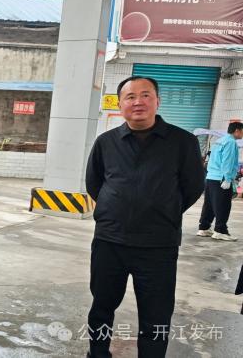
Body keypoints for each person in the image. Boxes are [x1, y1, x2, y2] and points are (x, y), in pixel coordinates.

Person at [85, 76, 204, 358]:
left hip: (158, 245)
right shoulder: (106, 142)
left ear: (157, 101)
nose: (138, 102)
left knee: (156, 314)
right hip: (110, 241)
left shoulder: (182, 142)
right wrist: (114, 210)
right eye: (130, 97)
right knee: (102, 306)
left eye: (145, 95)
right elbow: (95, 183)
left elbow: (193, 187)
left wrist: (163, 210)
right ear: (120, 104)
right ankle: (98, 353)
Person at [198, 121, 243, 241]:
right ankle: (220, 231)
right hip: (221, 179)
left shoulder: (219, 141)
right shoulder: (231, 142)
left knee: (209, 204)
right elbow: (227, 162)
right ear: (237, 130)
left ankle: (204, 227)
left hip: (211, 177)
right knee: (223, 205)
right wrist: (227, 178)